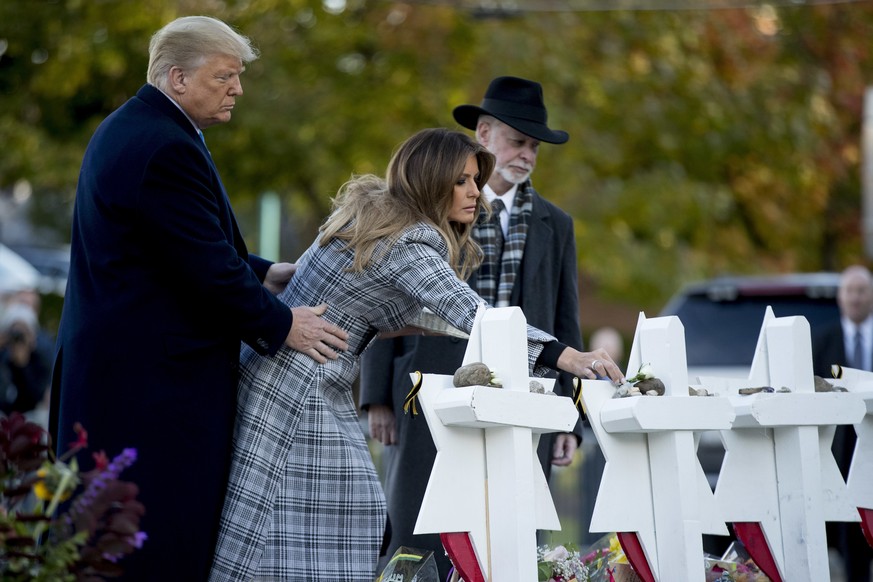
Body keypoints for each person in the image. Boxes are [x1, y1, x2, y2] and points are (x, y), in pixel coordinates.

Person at [209, 128, 624, 582]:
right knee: (317, 522)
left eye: (475, 180)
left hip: (291, 381)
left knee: (315, 524)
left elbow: (421, 313)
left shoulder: (374, 217)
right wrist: (568, 357)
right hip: (294, 393)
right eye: (463, 181)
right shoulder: (409, 242)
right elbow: (473, 315)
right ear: (431, 179)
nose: (475, 194)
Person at [49, 16, 348, 582]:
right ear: (177, 77)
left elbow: (174, 247)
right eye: (225, 76)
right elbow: (204, 271)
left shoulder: (139, 128)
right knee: (151, 550)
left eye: (237, 76)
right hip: (149, 397)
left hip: (123, 384)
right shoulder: (164, 146)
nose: (237, 88)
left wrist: (264, 273)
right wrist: (285, 325)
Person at [359, 75, 584, 577]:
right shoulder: (437, 206)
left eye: (535, 146)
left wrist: (572, 414)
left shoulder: (556, 222)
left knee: (516, 518)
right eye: (517, 140)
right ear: (483, 134)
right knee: (419, 514)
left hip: (525, 389)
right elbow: (384, 292)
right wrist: (376, 395)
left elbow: (565, 319)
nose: (527, 154)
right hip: (430, 384)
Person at [812, 264, 873, 582]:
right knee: (851, 528)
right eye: (850, 291)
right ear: (840, 297)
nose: (856, 298)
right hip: (842, 449)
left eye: (862, 291)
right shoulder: (823, 341)